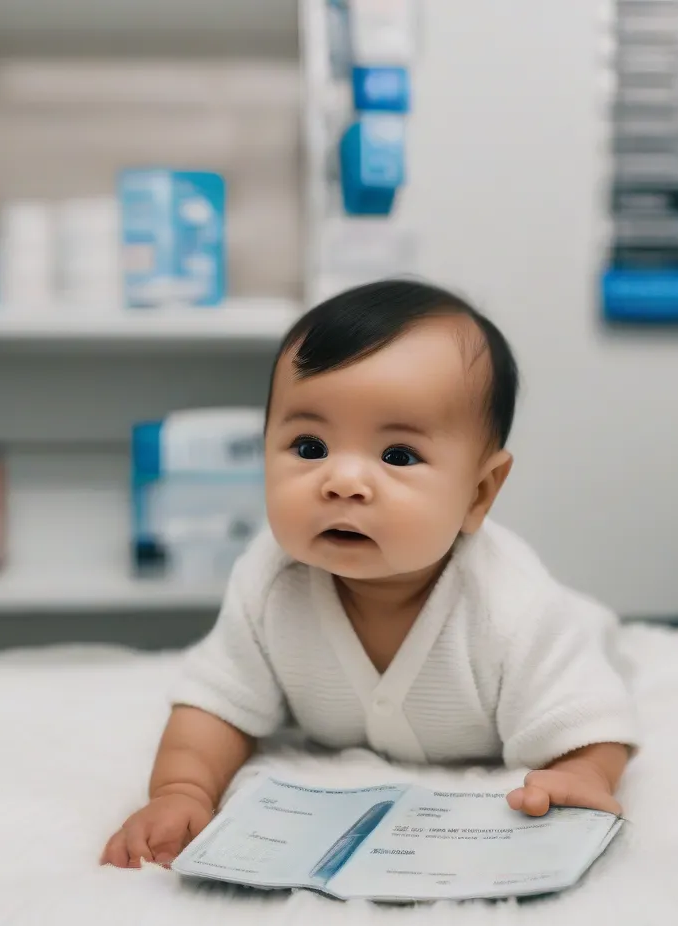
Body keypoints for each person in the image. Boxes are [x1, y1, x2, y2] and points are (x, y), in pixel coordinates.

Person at [102, 279, 639, 869]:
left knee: (598, 654)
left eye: (398, 456)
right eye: (309, 446)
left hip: (580, 638)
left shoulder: (512, 607)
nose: (342, 481)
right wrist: (183, 791)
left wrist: (580, 773)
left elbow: (588, 721)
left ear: (478, 493)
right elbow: (215, 704)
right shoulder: (270, 581)